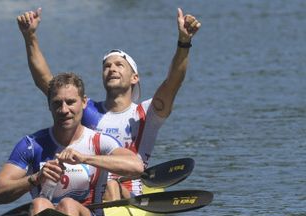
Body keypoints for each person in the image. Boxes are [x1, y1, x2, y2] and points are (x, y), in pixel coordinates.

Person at [16, 7, 201, 199]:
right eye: (107, 66)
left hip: (127, 190)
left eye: (119, 65)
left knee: (112, 185)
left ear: (134, 77)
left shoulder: (146, 113)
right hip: (88, 190)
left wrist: (184, 42)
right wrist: (30, 37)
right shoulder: (86, 110)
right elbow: (45, 81)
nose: (112, 68)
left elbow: (173, 82)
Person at [0, 73, 144, 216]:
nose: (64, 110)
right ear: (48, 104)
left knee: (67, 204)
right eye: (57, 103)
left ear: (83, 102)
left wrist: (84, 159)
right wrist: (36, 178)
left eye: (70, 102)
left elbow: (137, 167)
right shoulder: (31, 145)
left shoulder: (99, 141)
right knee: (39, 205)